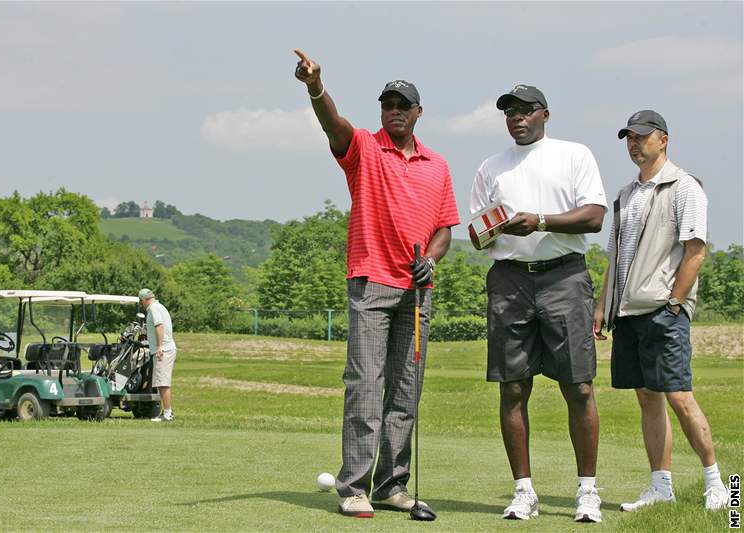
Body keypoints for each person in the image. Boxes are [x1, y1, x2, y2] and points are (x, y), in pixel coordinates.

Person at [293, 49, 460, 518]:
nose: (395, 111)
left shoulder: (438, 165)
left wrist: (430, 257)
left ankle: (391, 485)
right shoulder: (364, 148)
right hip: (370, 284)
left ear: (418, 113)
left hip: (416, 293)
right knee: (366, 387)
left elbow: (446, 227)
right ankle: (354, 488)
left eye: (403, 105)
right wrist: (315, 87)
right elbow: (333, 126)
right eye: (388, 105)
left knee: (405, 392)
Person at [468, 84, 607, 522]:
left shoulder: (574, 155)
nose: (517, 118)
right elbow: (476, 233)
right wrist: (492, 229)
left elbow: (596, 216)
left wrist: (541, 220)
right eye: (509, 112)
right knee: (512, 386)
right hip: (510, 280)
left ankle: (587, 491)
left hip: (564, 275)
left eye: (525, 111)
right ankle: (524, 491)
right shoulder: (491, 166)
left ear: (544, 114)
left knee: (579, 386)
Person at [593, 110, 728, 511]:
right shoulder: (625, 194)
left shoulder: (685, 187)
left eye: (641, 137)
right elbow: (615, 258)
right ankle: (661, 487)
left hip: (663, 310)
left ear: (663, 139)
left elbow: (696, 251)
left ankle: (720, 485)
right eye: (628, 138)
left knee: (680, 396)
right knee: (647, 399)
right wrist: (603, 307)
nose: (634, 144)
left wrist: (674, 303)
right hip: (629, 314)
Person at [138, 288, 177, 422]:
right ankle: (165, 412)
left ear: (144, 300)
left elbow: (159, 326)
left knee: (163, 382)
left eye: (141, 301)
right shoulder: (158, 306)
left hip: (163, 349)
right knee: (161, 382)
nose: (141, 304)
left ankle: (167, 414)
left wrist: (159, 346)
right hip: (164, 348)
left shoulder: (153, 308)